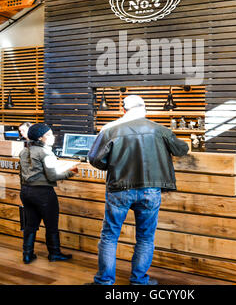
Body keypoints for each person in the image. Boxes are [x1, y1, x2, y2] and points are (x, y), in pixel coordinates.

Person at [87, 95, 189, 285]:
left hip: (119, 188)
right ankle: (139, 281)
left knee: (110, 235)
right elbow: (182, 149)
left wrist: (112, 166)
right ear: (144, 109)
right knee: (145, 237)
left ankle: (104, 281)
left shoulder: (110, 129)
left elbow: (94, 158)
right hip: (150, 189)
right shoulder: (159, 129)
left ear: (124, 110)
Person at [19, 123, 78, 264]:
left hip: (26, 191)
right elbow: (52, 176)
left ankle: (27, 255)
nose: (53, 137)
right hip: (43, 193)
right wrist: (71, 172)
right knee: (51, 225)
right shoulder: (46, 152)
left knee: (30, 225)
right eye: (49, 134)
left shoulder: (24, 151)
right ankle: (54, 253)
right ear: (41, 138)